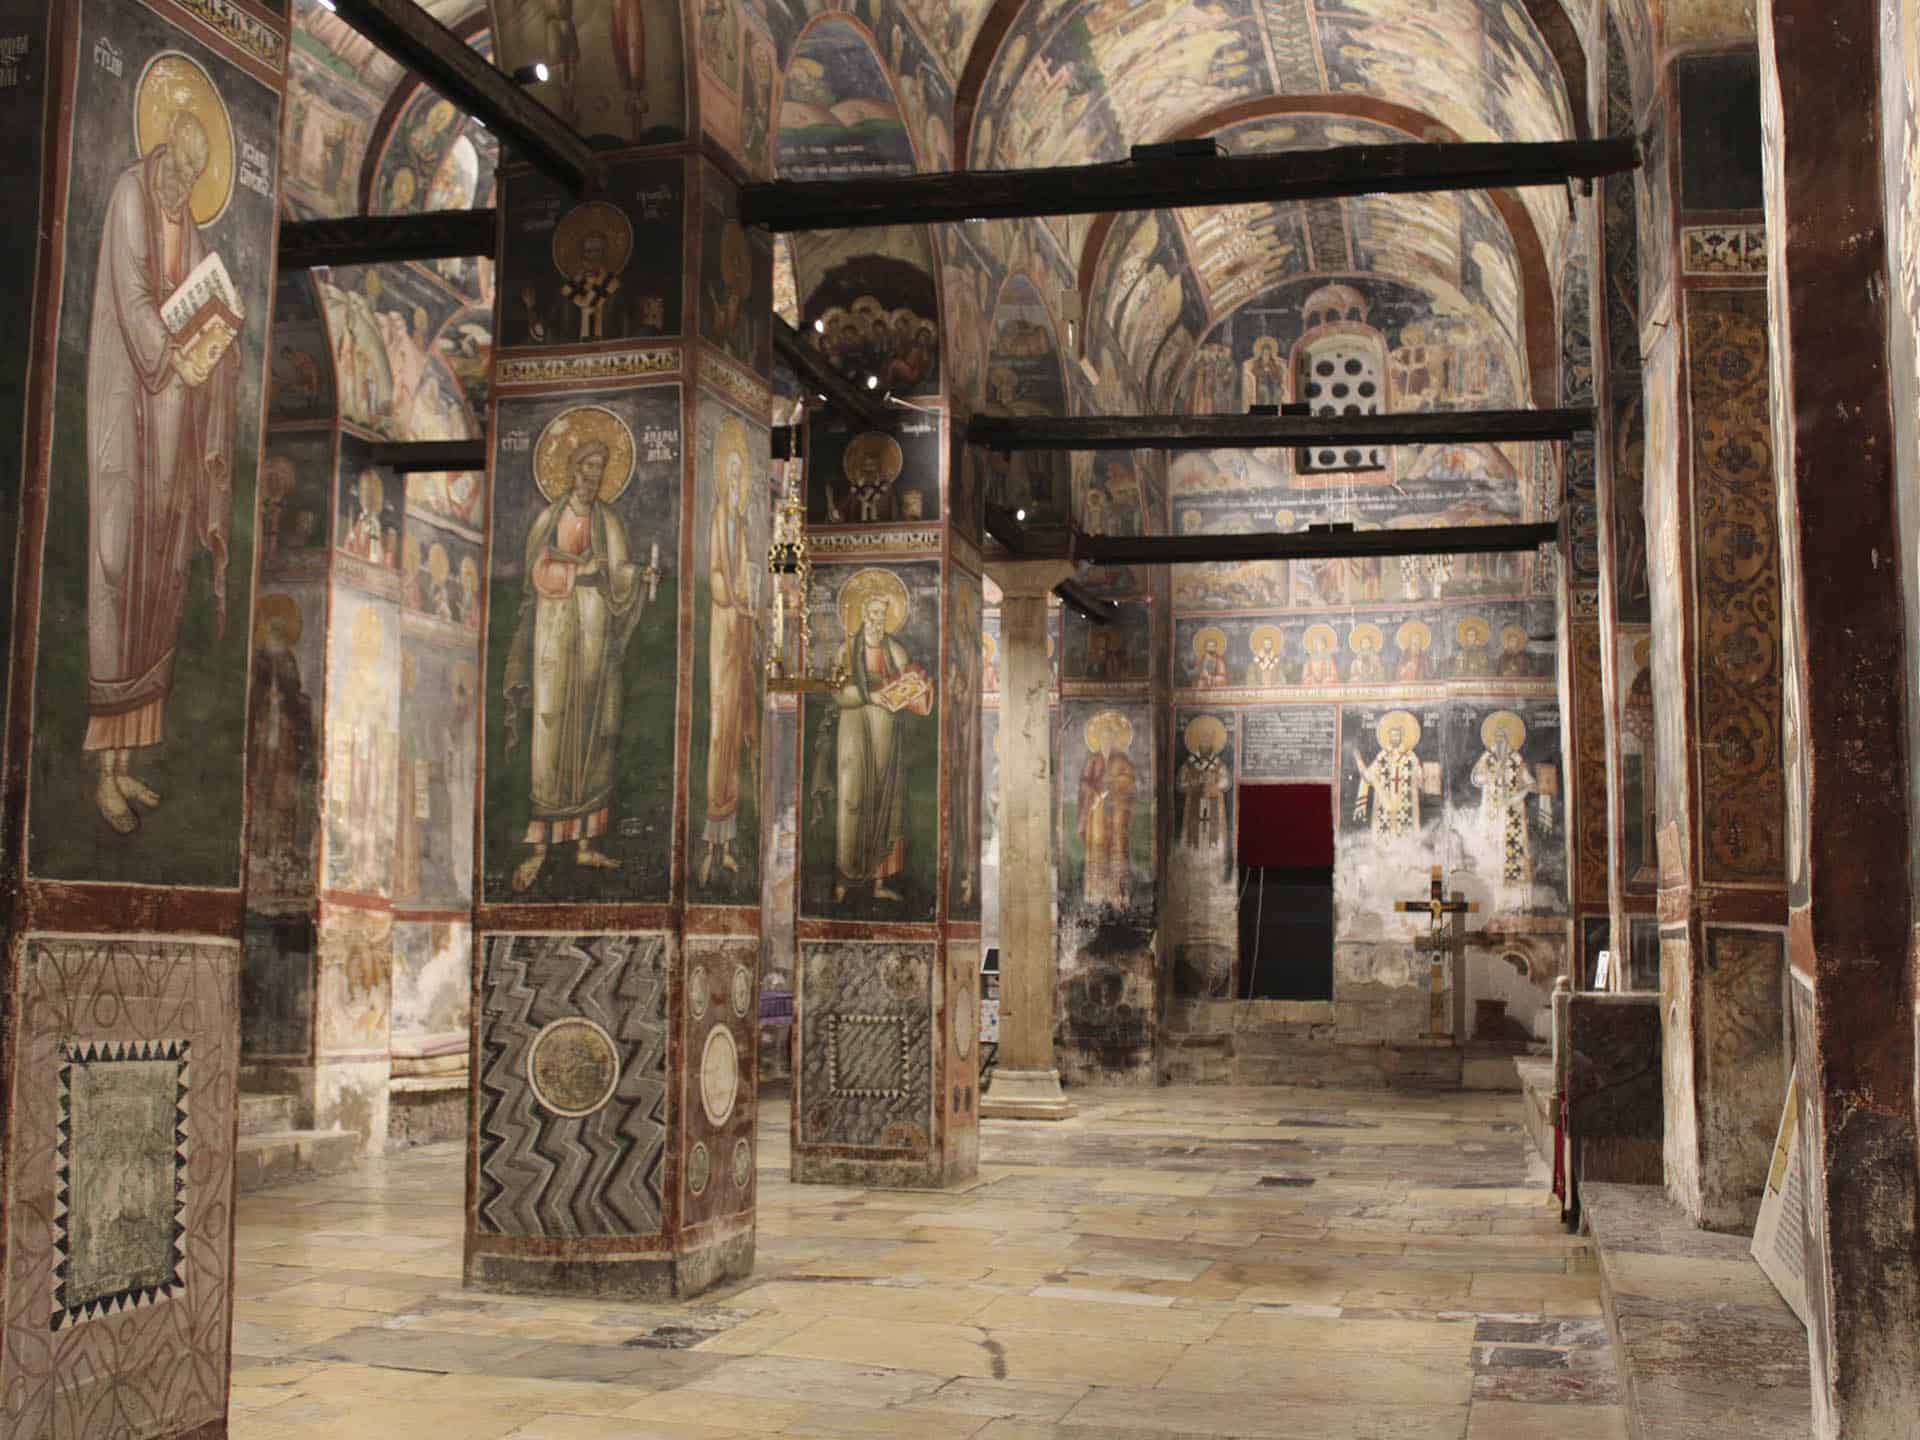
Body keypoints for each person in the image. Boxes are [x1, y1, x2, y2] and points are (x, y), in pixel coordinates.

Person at [85, 102, 240, 833]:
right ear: (161, 154)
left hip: (175, 427)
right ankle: (101, 771)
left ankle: (128, 762)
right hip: (130, 416)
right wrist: (173, 352)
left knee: (162, 581)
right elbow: (133, 297)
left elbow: (197, 304)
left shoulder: (190, 224)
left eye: (193, 176)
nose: (182, 186)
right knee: (118, 572)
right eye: (177, 170)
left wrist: (218, 340)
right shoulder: (128, 196)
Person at [503, 434, 658, 891]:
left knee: (594, 726)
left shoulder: (607, 520)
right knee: (551, 726)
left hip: (593, 626)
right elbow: (536, 572)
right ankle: (539, 846)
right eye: (588, 467)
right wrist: (577, 571)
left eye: (599, 469)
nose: (593, 476)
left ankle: (586, 842)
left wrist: (639, 574)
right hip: (554, 625)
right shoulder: (550, 518)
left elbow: (617, 572)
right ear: (573, 470)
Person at [811, 572, 933, 904]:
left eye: (883, 614)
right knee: (852, 800)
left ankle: (880, 881)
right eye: (874, 613)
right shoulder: (846, 651)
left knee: (885, 800)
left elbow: (911, 683)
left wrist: (913, 687)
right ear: (863, 615)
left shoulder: (895, 650)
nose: (879, 620)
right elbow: (837, 692)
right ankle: (844, 878)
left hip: (886, 735)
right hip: (853, 731)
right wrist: (870, 696)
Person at [700, 427, 757, 886]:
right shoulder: (721, 517)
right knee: (722, 727)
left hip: (740, 629)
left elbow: (746, 575)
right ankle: (710, 838)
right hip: (724, 630)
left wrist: (750, 599)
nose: (737, 481)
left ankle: (729, 839)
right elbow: (717, 575)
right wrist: (736, 598)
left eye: (741, 474)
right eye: (731, 473)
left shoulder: (742, 522)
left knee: (736, 730)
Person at [1474, 711, 1538, 910]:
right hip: (1492, 813)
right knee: (1491, 850)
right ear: (1493, 739)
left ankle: (1514, 902)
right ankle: (1489, 898)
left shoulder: (1516, 759)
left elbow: (1530, 783)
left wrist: (1517, 796)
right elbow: (1475, 778)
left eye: (1503, 737)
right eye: (1497, 737)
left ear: (1509, 739)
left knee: (1512, 854)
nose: (1500, 741)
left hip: (1512, 813)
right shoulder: (1487, 758)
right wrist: (1491, 776)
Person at [1078, 713, 1138, 907]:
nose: (1106, 739)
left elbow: (1129, 781)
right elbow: (1084, 781)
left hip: (1117, 811)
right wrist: (1095, 791)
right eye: (1103, 736)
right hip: (1097, 809)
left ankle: (1118, 896)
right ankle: (1096, 895)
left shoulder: (1122, 759)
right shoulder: (1093, 759)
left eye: (1110, 736)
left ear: (1114, 739)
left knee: (1117, 847)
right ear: (1098, 739)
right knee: (1097, 845)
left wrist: (1114, 786)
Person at [1353, 711, 1423, 844]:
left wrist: (1420, 779)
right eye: (1392, 735)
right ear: (1388, 737)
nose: (1395, 738)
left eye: (1397, 735)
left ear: (1401, 737)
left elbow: (1419, 776)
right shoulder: (1382, 756)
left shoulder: (1411, 756)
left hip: (1404, 801)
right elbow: (1369, 776)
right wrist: (1359, 761)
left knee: (1405, 831)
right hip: (1385, 800)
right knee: (1385, 831)